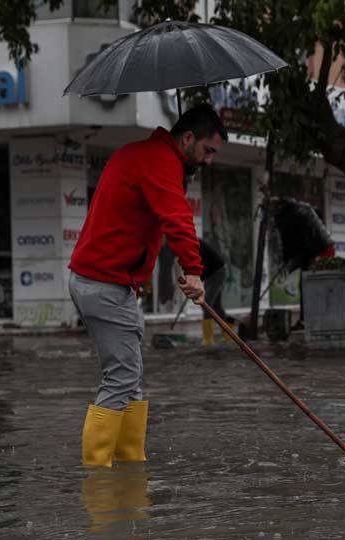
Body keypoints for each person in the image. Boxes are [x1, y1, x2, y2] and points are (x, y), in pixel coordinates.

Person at [68, 104, 227, 467]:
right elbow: (178, 221)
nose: (209, 161)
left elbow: (164, 219)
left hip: (107, 282)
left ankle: (130, 469)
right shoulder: (158, 161)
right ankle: (98, 479)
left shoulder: (150, 157)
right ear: (188, 138)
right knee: (122, 376)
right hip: (103, 282)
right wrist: (195, 271)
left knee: (130, 378)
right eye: (208, 151)